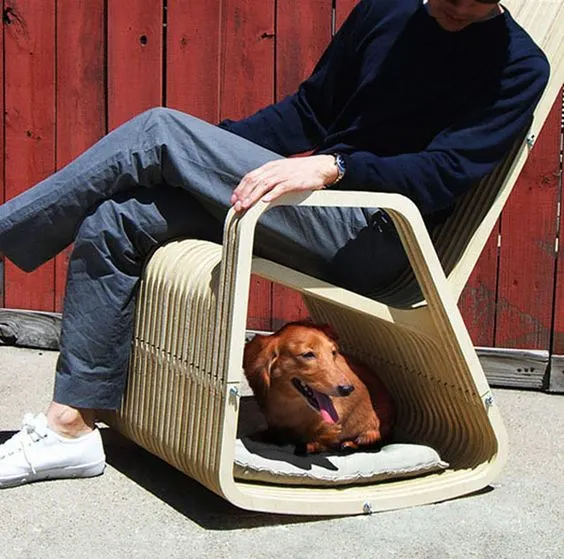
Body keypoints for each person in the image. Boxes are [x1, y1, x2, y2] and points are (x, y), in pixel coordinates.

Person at [0, 0, 549, 488]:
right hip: (318, 207)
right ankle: (69, 428)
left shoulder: (519, 67)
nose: (459, 8)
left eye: (477, 2)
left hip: (379, 233)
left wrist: (336, 166)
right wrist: (203, 155)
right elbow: (308, 112)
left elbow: (444, 173)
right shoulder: (387, 10)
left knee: (158, 130)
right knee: (118, 219)